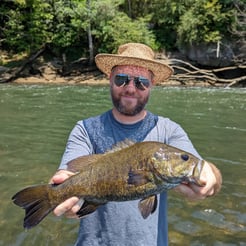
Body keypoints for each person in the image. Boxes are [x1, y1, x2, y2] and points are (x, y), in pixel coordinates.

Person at [50, 43, 222, 246]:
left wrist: (211, 177)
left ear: (152, 84)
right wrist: (61, 193)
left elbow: (207, 173)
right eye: (122, 79)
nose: (131, 88)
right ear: (110, 79)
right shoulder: (85, 129)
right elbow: (68, 174)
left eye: (141, 82)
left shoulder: (169, 131)